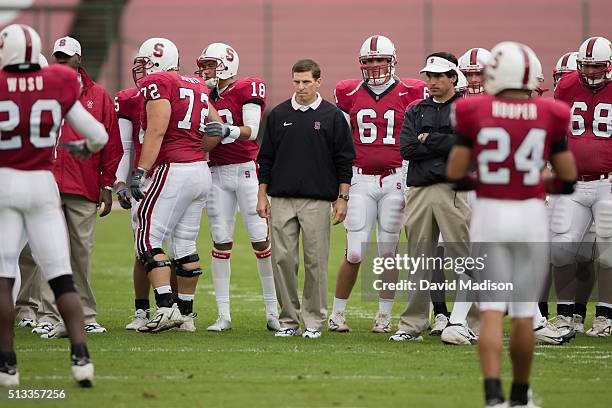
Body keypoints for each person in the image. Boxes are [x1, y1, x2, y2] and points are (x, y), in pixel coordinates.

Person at [447, 41, 577, 408]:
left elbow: (456, 174)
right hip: (529, 215)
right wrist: (536, 181)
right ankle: (520, 396)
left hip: (490, 213)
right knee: (522, 313)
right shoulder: (550, 112)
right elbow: (567, 178)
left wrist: (487, 180)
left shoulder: (473, 109)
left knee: (490, 311)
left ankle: (493, 397)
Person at [0, 24, 109, 387]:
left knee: (5, 276)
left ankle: (7, 365)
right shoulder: (59, 81)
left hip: (5, 183)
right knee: (62, 274)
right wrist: (85, 149)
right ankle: (81, 360)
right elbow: (97, 136)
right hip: (43, 184)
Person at [18, 35, 122, 339]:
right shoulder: (42, 92)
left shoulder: (98, 95)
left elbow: (111, 143)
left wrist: (106, 182)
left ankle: (86, 314)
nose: (60, 63)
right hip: (47, 184)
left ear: (79, 59)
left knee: (80, 254)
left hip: (84, 184)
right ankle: (49, 314)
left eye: (66, 58)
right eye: (57, 58)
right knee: (49, 253)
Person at [328, 35, 427, 334]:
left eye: (380, 59)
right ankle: (337, 314)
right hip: (359, 178)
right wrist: (341, 189)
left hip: (396, 177)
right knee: (355, 252)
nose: (374, 65)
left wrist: (411, 184)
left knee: (388, 252)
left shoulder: (412, 91)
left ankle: (383, 316)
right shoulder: (348, 92)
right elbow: (342, 144)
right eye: (369, 60)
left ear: (392, 60)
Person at [129, 37, 224, 333]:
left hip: (174, 168)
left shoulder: (159, 83)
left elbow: (156, 131)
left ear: (156, 63)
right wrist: (197, 146)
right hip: (199, 168)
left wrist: (140, 170)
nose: (141, 69)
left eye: (144, 63)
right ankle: (186, 315)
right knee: (184, 243)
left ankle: (166, 308)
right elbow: (216, 128)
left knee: (147, 237)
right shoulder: (196, 84)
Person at [257, 59, 354, 339]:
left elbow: (344, 160)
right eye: (297, 82)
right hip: (281, 199)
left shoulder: (332, 116)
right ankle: (288, 321)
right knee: (283, 260)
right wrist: (262, 195)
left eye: (306, 82)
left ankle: (313, 322)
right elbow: (265, 158)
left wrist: (342, 198)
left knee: (315, 262)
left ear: (318, 82)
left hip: (317, 201)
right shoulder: (278, 115)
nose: (301, 87)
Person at [195, 43, 280, 332]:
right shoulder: (206, 94)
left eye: (211, 65)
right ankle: (224, 315)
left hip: (247, 171)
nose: (206, 70)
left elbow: (252, 130)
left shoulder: (248, 86)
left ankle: (273, 311)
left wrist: (227, 131)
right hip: (216, 172)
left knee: (260, 240)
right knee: (220, 241)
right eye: (204, 65)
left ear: (227, 64)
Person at [391, 52, 471, 342]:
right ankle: (412, 325)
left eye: (440, 76)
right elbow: (408, 149)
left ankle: (468, 321)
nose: (433, 81)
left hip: (453, 189)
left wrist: (431, 140)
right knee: (419, 260)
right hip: (420, 190)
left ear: (453, 77)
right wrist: (445, 144)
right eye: (430, 76)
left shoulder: (466, 109)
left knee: (462, 258)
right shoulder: (416, 109)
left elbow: (467, 146)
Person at [551, 36, 612, 338]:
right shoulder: (567, 85)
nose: (589, 72)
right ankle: (564, 316)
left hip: (608, 182)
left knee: (608, 252)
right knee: (561, 249)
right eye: (585, 66)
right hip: (574, 182)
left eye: (596, 67)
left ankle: (604, 315)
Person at [113, 53, 148, 331]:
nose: (142, 71)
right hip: (142, 179)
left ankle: (176, 308)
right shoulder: (129, 98)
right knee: (142, 248)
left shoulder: (183, 92)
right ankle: (142, 311)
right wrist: (120, 181)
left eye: (148, 64)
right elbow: (125, 145)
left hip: (172, 174)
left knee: (177, 249)